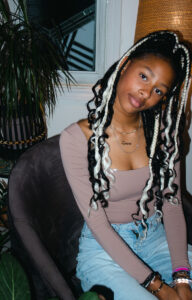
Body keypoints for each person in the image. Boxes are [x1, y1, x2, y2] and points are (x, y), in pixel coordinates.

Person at [60, 30, 192, 300]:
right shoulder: (76, 139)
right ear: (125, 65)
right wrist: (157, 287)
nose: (146, 92)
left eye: (158, 90)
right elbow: (97, 223)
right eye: (144, 76)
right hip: (105, 248)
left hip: (156, 238)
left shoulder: (164, 136)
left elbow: (172, 205)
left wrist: (181, 278)